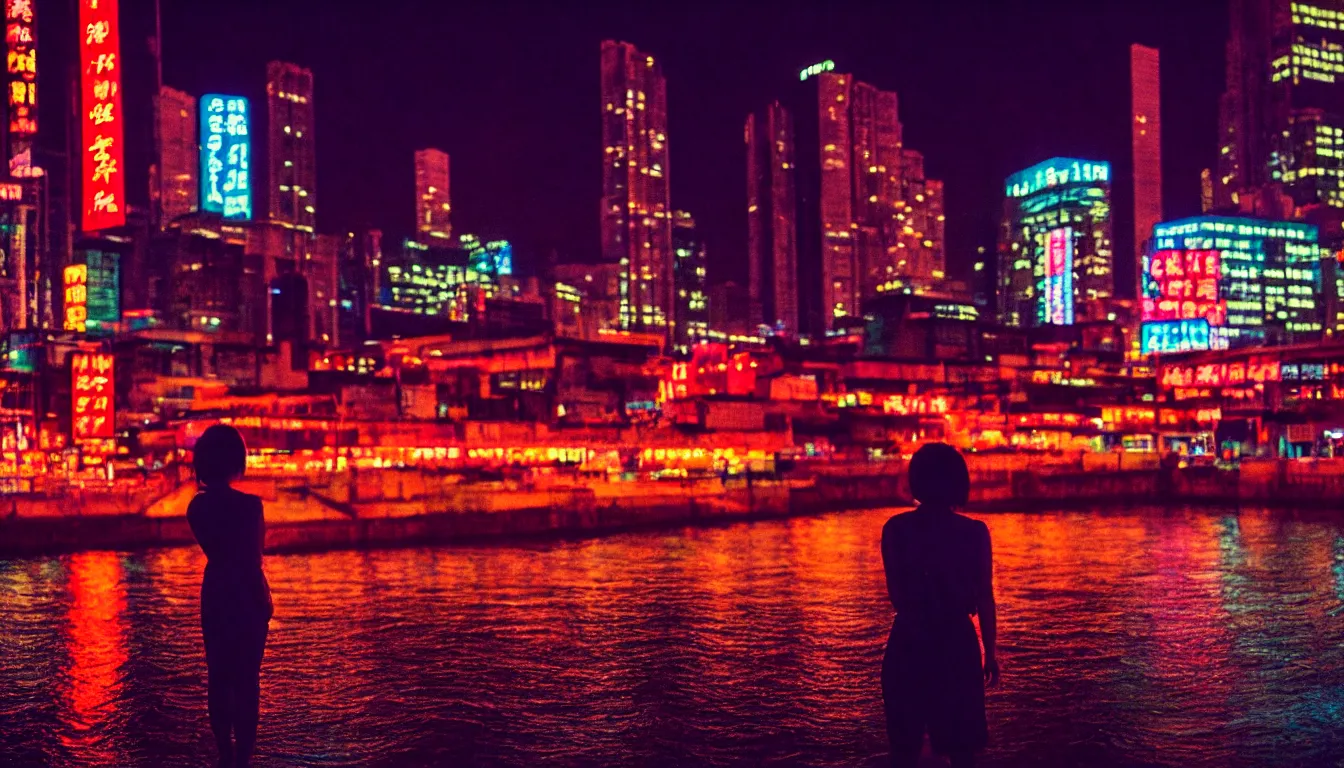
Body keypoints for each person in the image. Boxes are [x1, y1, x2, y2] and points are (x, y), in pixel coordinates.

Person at [882, 443, 998, 768]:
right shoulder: (974, 532)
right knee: (962, 749)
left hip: (908, 640)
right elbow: (985, 596)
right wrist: (990, 653)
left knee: (904, 747)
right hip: (956, 644)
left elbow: (897, 596)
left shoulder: (895, 529)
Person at [187, 424, 273, 768]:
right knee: (248, 679)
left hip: (216, 591)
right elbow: (253, 560)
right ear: (238, 460)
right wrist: (264, 600)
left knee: (219, 676)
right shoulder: (250, 507)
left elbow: (219, 550)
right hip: (246, 594)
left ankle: (224, 753)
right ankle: (245, 757)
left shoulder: (197, 508)